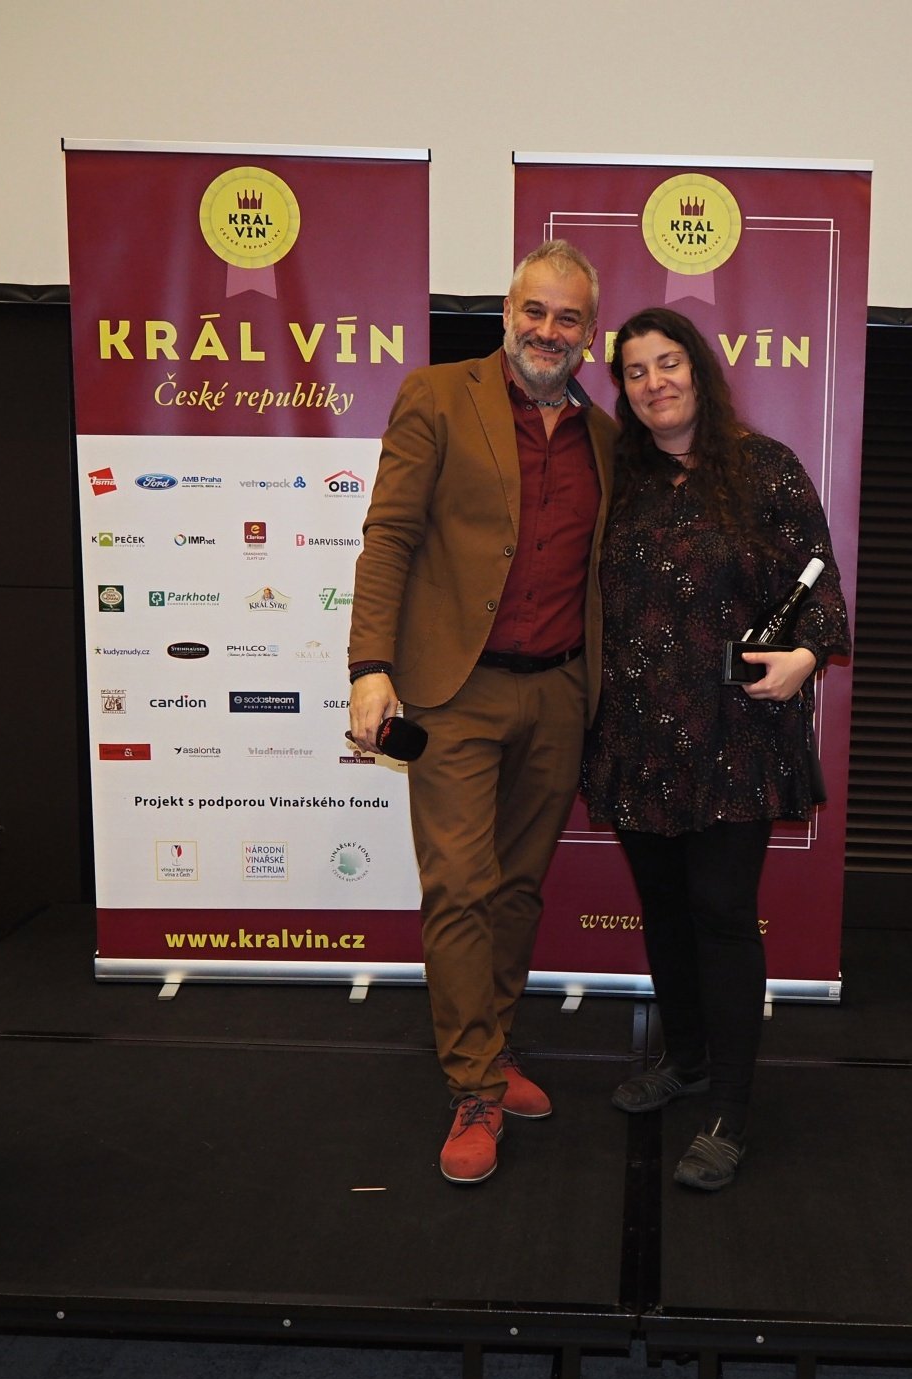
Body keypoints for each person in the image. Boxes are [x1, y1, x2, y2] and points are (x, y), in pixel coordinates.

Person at [348, 240, 617, 1185]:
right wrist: (370, 667)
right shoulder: (436, 395)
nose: (548, 330)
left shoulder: (606, 438)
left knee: (517, 889)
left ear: (590, 334)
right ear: (507, 312)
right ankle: (473, 1086)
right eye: (534, 310)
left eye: (568, 317)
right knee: (461, 885)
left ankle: (494, 1050)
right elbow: (389, 537)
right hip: (453, 693)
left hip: (559, 693)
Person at [584, 306, 850, 1191]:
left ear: (698, 368)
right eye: (635, 371)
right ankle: (687, 1059)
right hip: (634, 734)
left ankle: (731, 1107)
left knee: (722, 912)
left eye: (668, 362)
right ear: (622, 389)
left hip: (735, 735)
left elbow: (820, 584)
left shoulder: (764, 466)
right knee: (663, 908)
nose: (654, 382)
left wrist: (806, 657)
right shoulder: (616, 478)